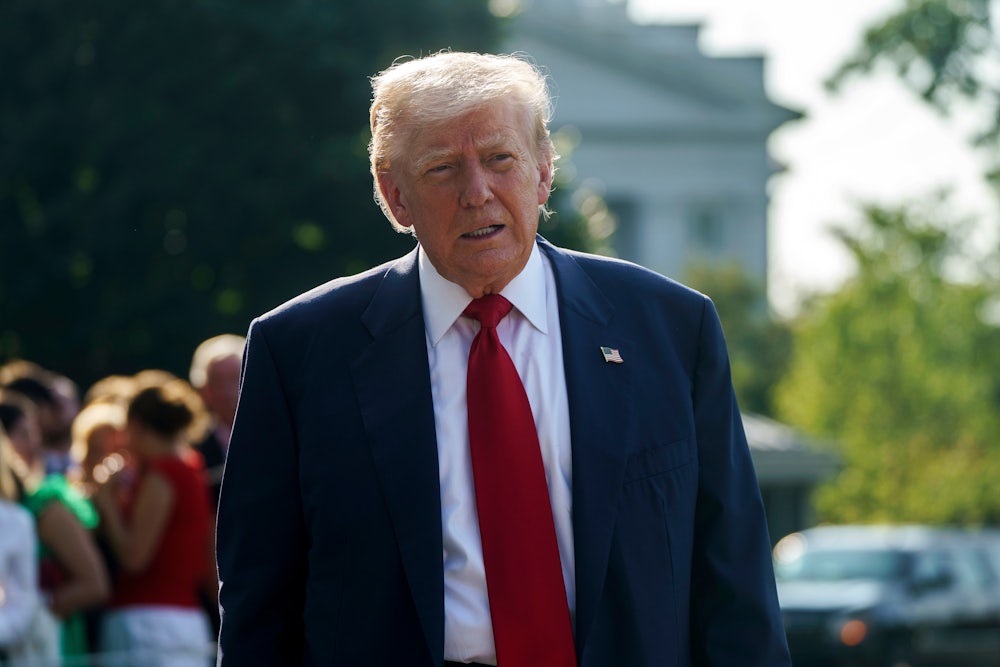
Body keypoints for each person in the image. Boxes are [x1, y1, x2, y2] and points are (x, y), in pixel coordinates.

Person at [216, 51, 790, 666]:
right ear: (394, 195)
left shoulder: (671, 329)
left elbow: (734, 585)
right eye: (441, 169)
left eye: (500, 160)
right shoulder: (300, 351)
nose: (477, 192)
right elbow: (260, 608)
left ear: (544, 171)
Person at [93, 373, 215, 666]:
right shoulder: (191, 468)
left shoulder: (164, 473)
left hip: (147, 624)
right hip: (180, 621)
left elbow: (135, 557)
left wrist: (107, 503)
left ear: (137, 425)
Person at [0, 388, 110, 660]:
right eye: (23, 434)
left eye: (33, 433)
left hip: (47, 645)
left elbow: (94, 584)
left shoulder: (46, 506)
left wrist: (31, 611)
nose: (35, 444)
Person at [188, 334, 245, 509]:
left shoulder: (277, 436)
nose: (227, 392)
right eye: (216, 381)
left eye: (235, 379)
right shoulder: (192, 447)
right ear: (203, 390)